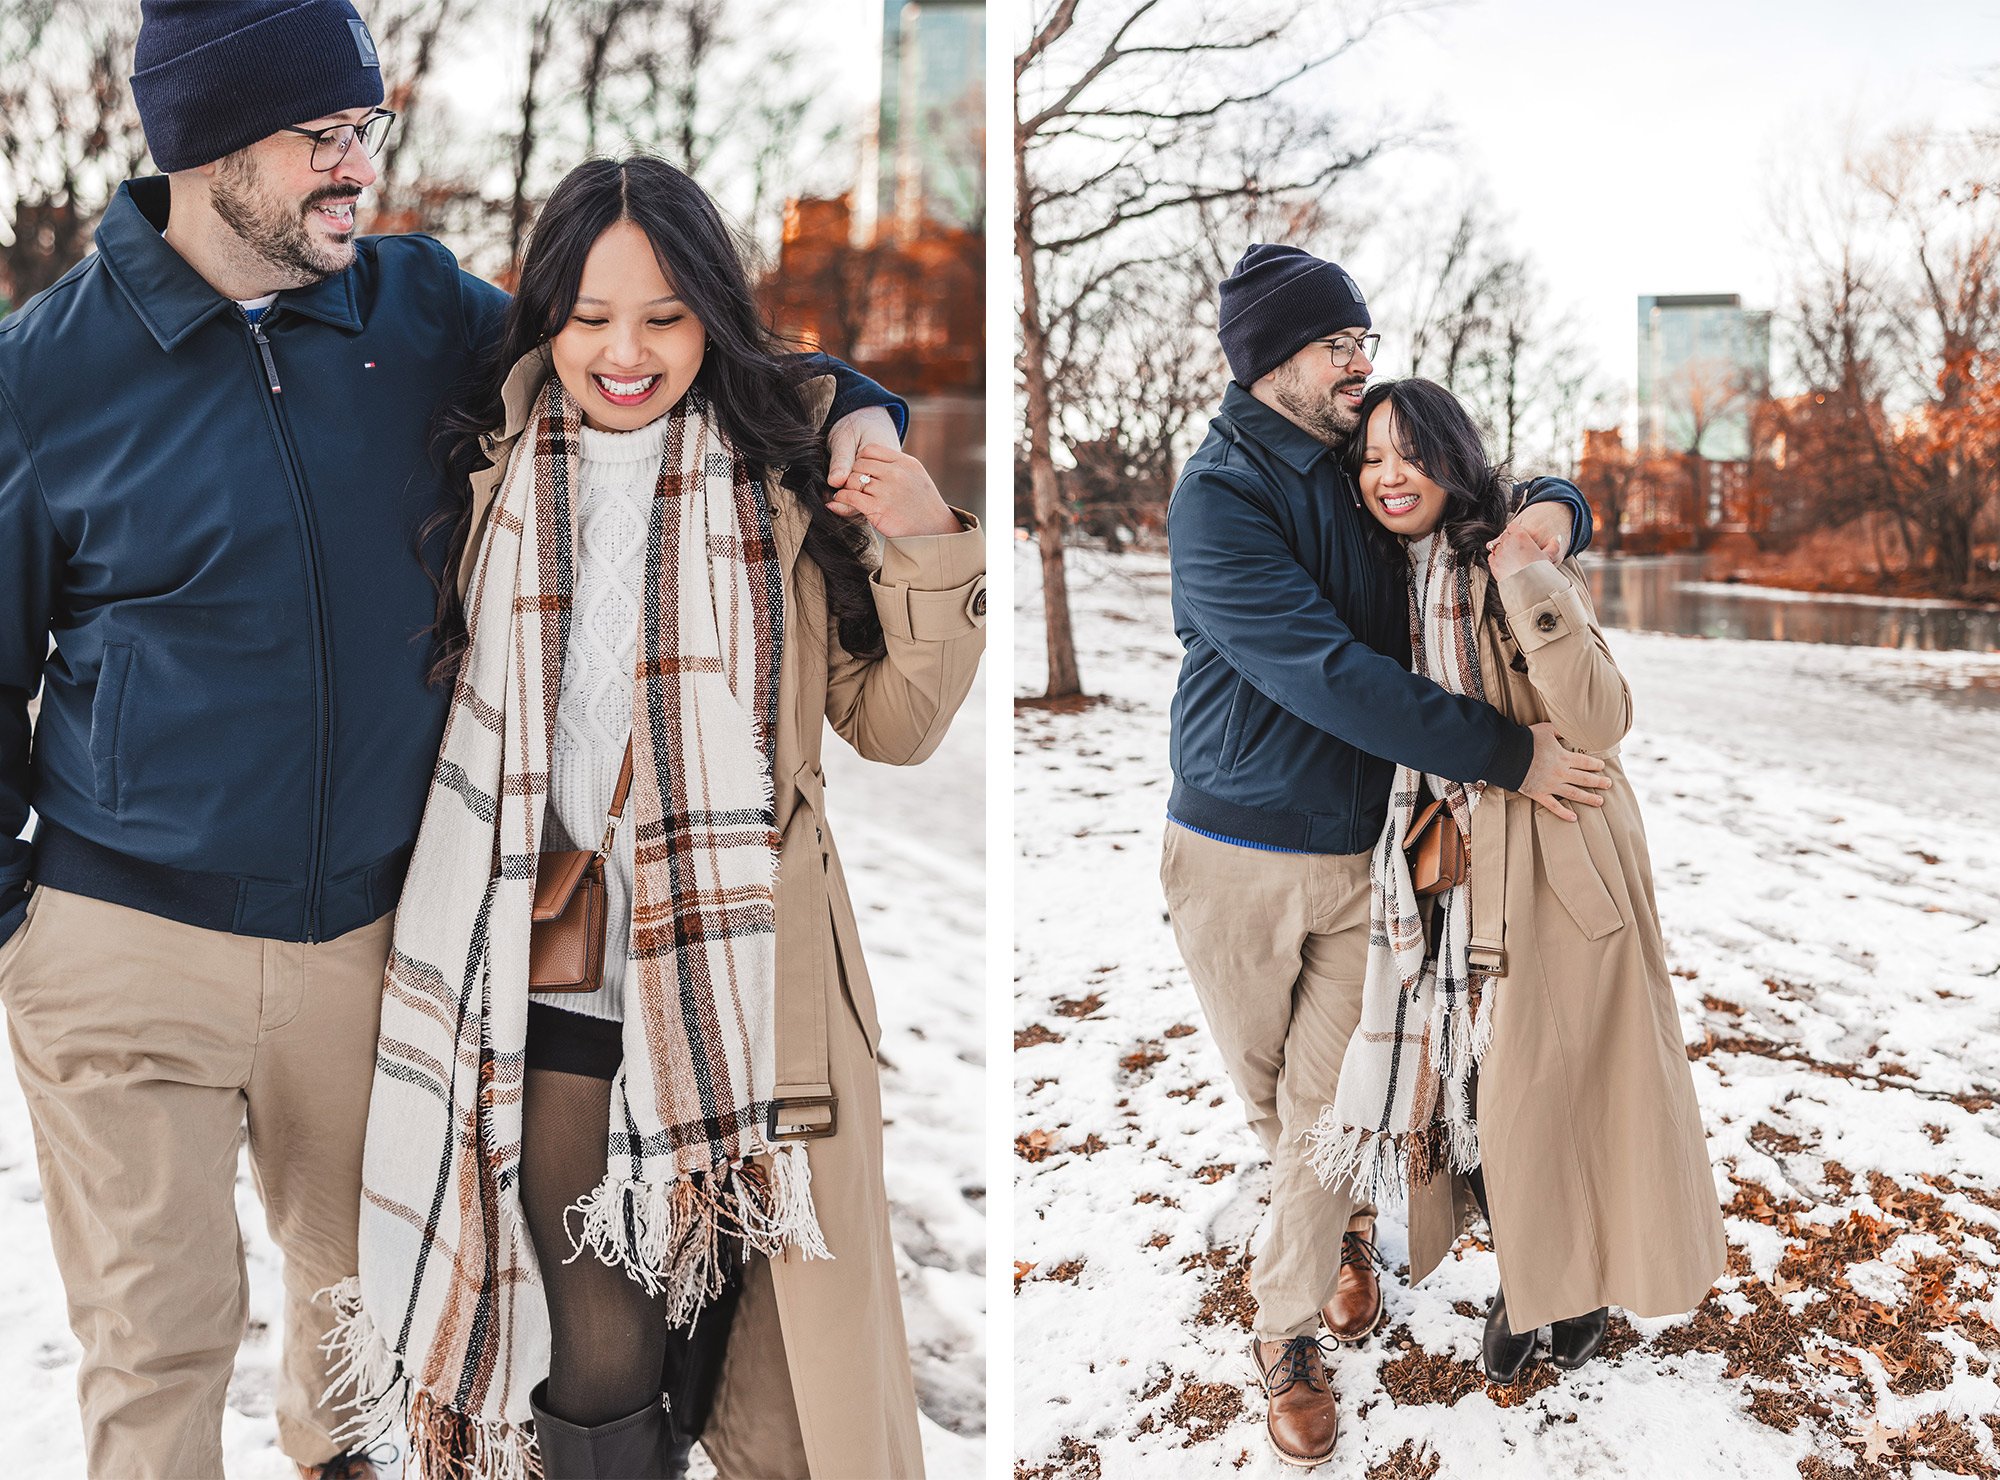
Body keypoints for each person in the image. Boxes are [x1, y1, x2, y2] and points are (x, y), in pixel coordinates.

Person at [0, 4, 906, 1476]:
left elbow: (652, 340)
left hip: (374, 940)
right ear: (208, 143)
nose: (359, 168)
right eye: (325, 139)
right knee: (153, 1343)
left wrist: (857, 411)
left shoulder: (420, 311)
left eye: (370, 130)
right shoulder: (40, 377)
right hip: (122, 941)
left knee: (371, 1332)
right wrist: (21, 924)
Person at [325, 156, 984, 1480]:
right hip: (537, 979)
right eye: (590, 316)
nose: (624, 353)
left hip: (755, 992)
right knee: (596, 1355)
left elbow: (896, 725)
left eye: (667, 317)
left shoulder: (789, 484)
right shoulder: (481, 462)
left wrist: (922, 545)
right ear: (544, 317)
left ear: (714, 320)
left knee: (778, 1388)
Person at [1158, 243, 1612, 1469]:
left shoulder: (1377, 462)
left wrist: (1555, 509)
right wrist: (1506, 751)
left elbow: (1503, 486)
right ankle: (1341, 1227)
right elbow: (1324, 674)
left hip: (1369, 860)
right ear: (1267, 362)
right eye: (1334, 343)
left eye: (1363, 338)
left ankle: (1282, 1333)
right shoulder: (1218, 497)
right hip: (1230, 855)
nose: (1361, 360)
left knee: (1321, 1108)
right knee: (1277, 1109)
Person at [1309, 376, 1725, 1386]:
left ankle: (1559, 1291)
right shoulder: (1377, 571)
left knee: (1555, 1089)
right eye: (1369, 459)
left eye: (1408, 453)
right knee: (1473, 1087)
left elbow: (1598, 718)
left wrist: (1527, 571)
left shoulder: (1507, 559)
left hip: (1557, 857)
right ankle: (1538, 1275)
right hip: (1442, 860)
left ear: (1452, 457)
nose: (1388, 474)